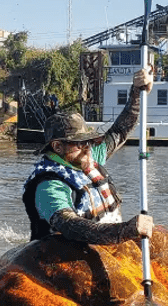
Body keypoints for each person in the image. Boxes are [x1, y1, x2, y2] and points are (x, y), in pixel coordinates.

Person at [22, 68, 154, 244]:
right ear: (58, 146)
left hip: (107, 242)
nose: (87, 148)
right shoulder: (49, 185)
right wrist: (124, 230)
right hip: (63, 253)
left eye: (88, 141)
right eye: (79, 142)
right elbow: (70, 226)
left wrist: (137, 92)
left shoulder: (87, 157)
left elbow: (120, 131)